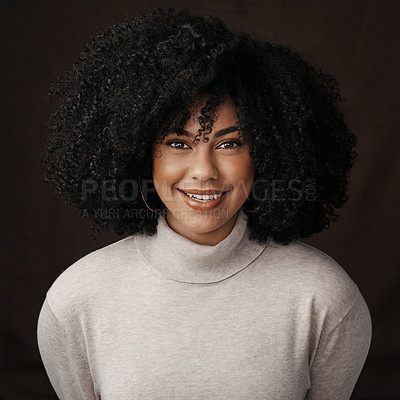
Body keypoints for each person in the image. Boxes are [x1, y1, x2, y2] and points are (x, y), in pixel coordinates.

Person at [37, 7, 372, 400]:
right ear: (142, 154)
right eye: (178, 143)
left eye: (229, 143)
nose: (203, 171)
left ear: (265, 153)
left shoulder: (325, 298)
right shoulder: (76, 300)